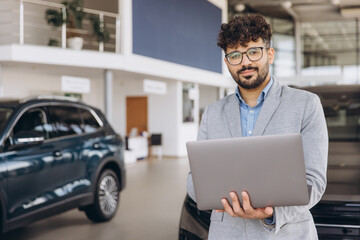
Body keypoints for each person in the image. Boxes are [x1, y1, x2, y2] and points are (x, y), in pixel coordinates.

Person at [187, 14, 328, 239]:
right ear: (227, 62)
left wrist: (270, 213)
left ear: (269, 54)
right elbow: (194, 182)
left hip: (287, 233)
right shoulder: (213, 113)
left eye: (253, 51)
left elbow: (314, 183)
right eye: (235, 55)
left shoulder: (306, 104)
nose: (245, 62)